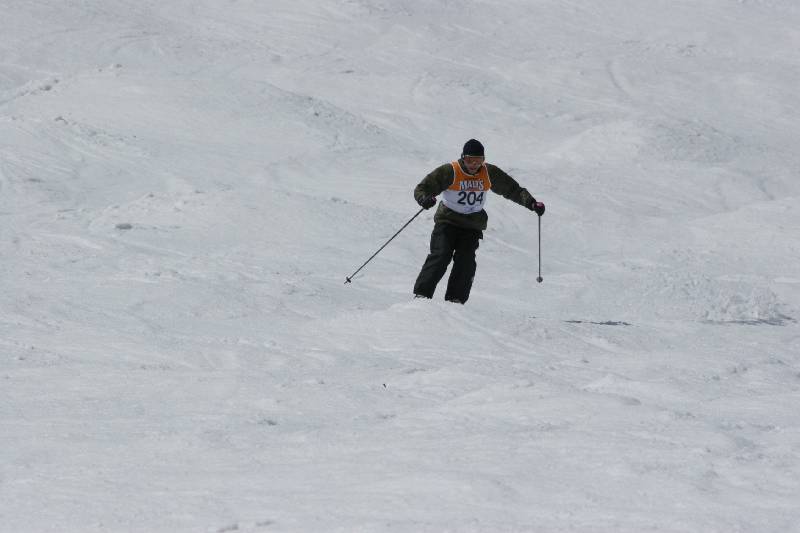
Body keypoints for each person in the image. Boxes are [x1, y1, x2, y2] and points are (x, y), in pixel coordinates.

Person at [412, 139, 545, 304]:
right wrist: (424, 198)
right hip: (447, 220)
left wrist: (531, 203)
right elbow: (422, 188)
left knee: (466, 261)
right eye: (470, 160)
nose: (474, 165)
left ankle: (455, 300)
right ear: (463, 158)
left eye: (478, 161)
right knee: (441, 255)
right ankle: (422, 295)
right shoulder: (451, 171)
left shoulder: (488, 172)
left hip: (472, 225)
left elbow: (512, 189)